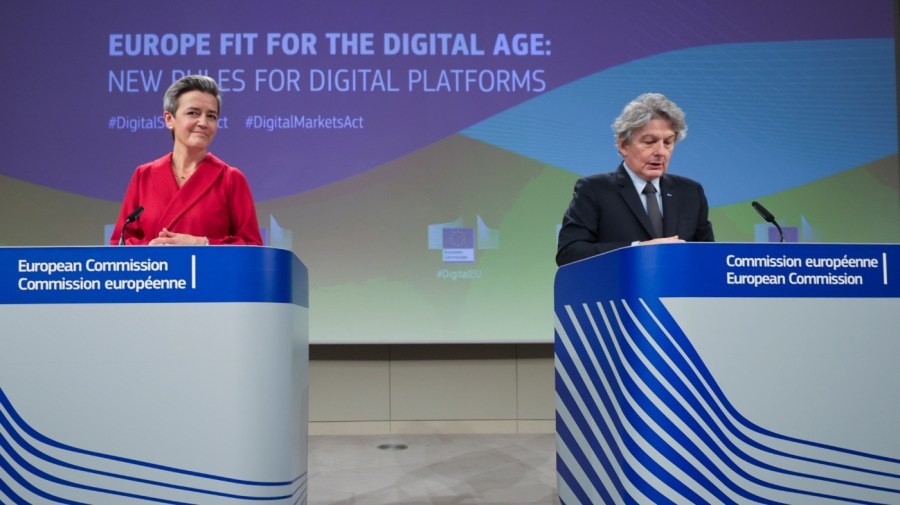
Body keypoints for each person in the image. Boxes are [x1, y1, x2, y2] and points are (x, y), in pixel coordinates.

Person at [556, 93, 713, 266]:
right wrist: (637, 250)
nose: (660, 151)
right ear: (623, 145)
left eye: (668, 142)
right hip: (618, 291)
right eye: (649, 142)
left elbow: (710, 259)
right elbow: (569, 253)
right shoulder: (594, 190)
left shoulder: (691, 192)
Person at [110, 75, 263, 246]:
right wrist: (149, 250)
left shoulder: (230, 179)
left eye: (211, 116)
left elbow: (253, 247)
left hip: (210, 273)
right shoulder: (144, 175)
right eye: (193, 113)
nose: (204, 122)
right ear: (169, 119)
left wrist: (203, 244)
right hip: (156, 273)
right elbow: (120, 244)